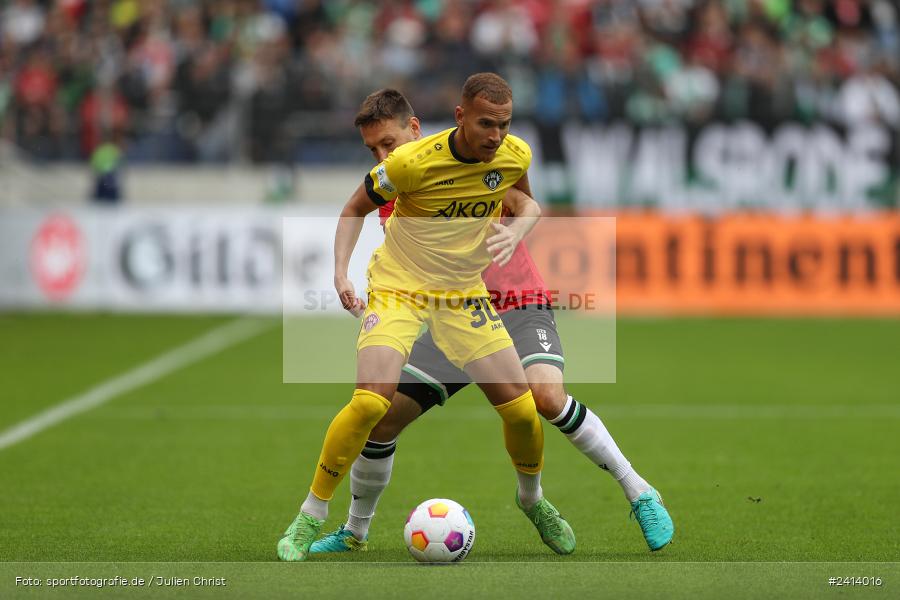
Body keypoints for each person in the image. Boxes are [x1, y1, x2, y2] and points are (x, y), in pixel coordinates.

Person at [309, 87, 674, 555]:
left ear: (416, 128)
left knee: (545, 398)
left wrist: (519, 224)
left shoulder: (483, 155)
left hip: (515, 302)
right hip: (452, 315)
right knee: (379, 421)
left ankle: (637, 492)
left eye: (388, 143)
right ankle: (355, 532)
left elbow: (523, 200)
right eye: (373, 150)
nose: (382, 155)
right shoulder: (396, 187)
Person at [277, 73, 576, 561]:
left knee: (522, 409)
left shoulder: (513, 153)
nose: (496, 135)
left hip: (462, 294)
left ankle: (533, 501)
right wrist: (340, 273)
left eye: (503, 124)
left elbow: (523, 198)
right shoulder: (408, 163)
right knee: (372, 402)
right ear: (462, 116)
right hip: (398, 290)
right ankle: (310, 515)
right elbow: (354, 207)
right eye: (488, 123)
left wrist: (519, 227)